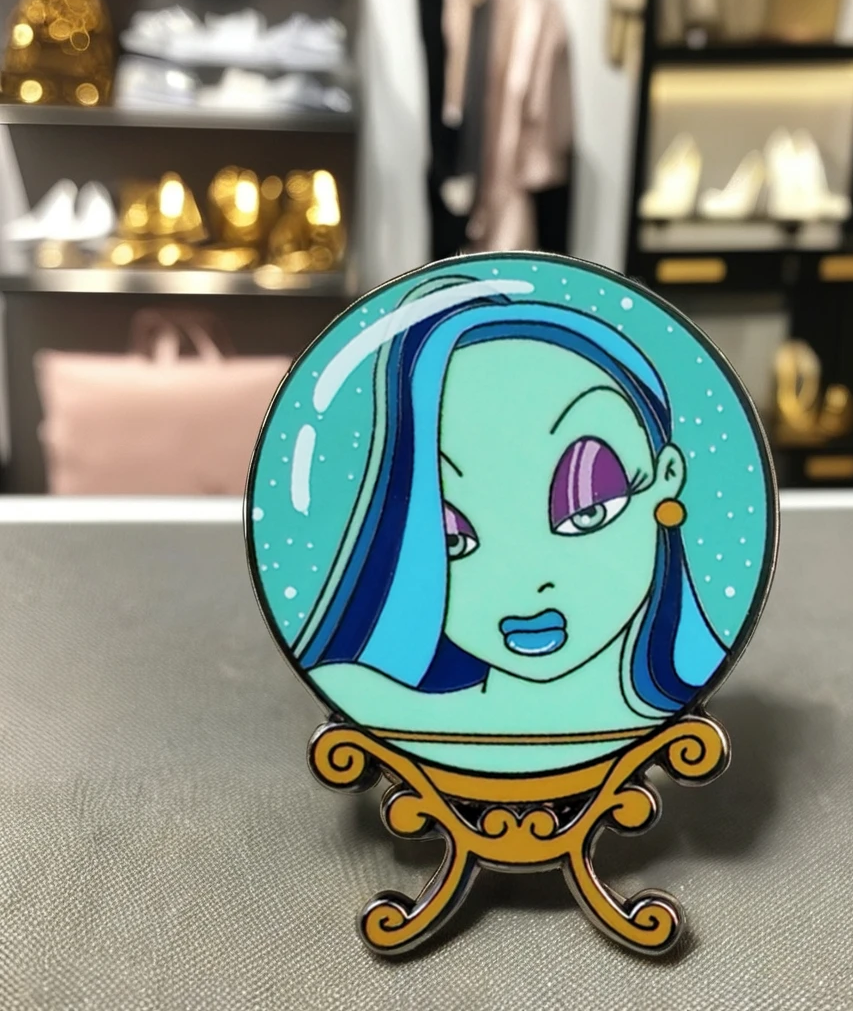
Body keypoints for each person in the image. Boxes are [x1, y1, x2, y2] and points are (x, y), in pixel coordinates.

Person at [294, 277, 726, 773]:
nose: (526, 582)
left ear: (667, 477)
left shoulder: (672, 719)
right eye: (451, 537)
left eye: (586, 509)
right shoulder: (365, 699)